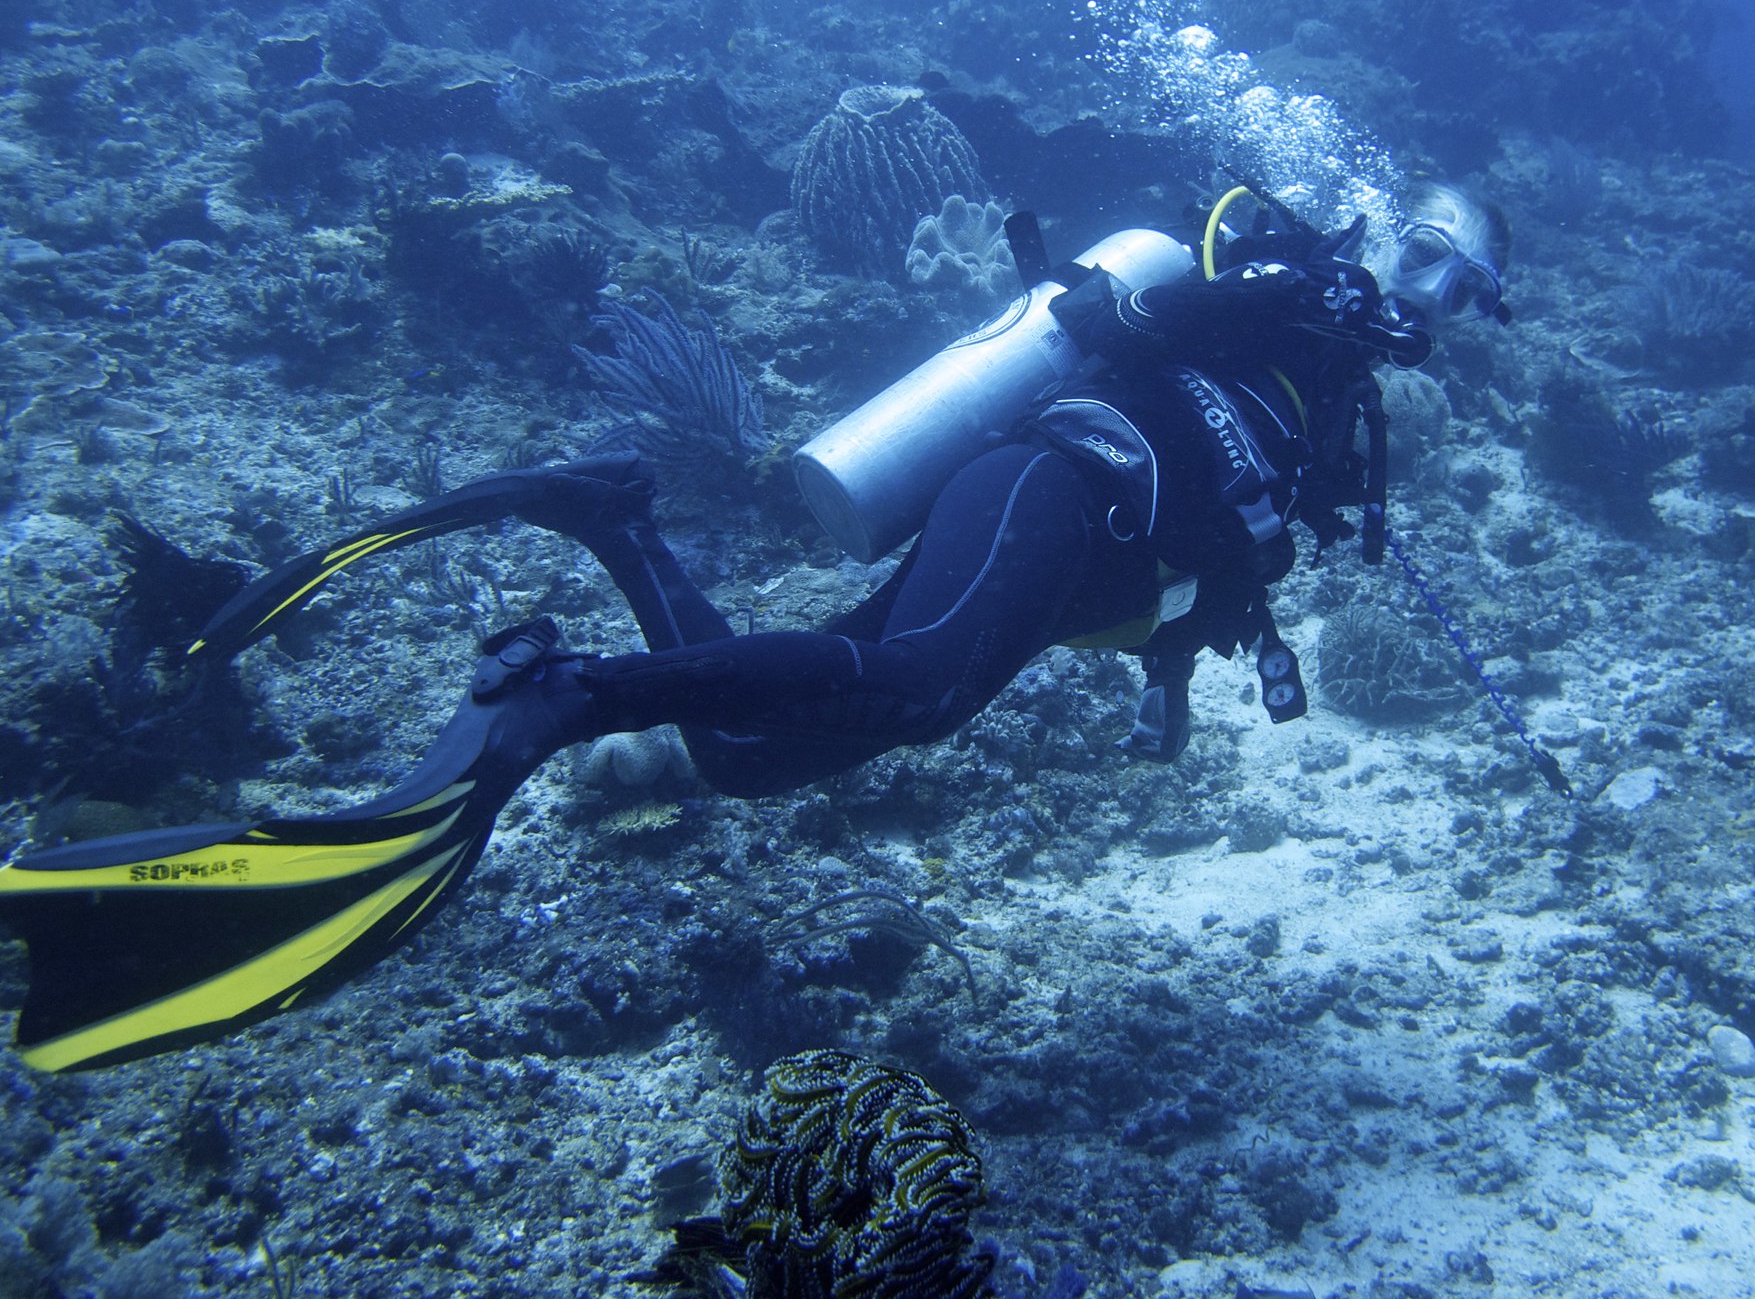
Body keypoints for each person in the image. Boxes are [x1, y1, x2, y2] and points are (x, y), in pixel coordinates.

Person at [0, 183, 1513, 1073]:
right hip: (1052, 485)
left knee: (747, 755)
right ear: (1391, 230)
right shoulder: (1293, 280)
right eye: (1437, 262)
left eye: (1472, 291)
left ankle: (613, 514)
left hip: (1072, 555)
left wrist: (1179, 667)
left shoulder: (1332, 404)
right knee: (914, 692)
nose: (1441, 302)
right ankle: (566, 699)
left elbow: (1220, 558)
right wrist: (1309, 279)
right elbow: (1143, 328)